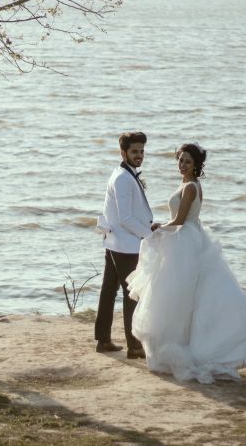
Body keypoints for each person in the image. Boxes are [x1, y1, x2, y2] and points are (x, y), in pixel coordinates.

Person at [127, 142, 246, 383]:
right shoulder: (186, 184)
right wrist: (164, 226)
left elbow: (180, 220)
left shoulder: (191, 187)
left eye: (187, 162)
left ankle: (190, 347)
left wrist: (159, 227)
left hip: (185, 242)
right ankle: (178, 342)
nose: (182, 165)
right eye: (180, 160)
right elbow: (179, 219)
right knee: (179, 297)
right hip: (186, 239)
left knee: (180, 297)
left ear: (196, 166)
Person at [94, 131, 157, 359]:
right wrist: (148, 234)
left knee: (108, 291)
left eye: (141, 151)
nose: (139, 155)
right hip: (125, 245)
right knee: (132, 295)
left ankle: (103, 340)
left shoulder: (123, 173)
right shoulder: (122, 178)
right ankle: (134, 346)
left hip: (115, 242)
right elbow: (125, 218)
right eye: (134, 151)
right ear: (123, 152)